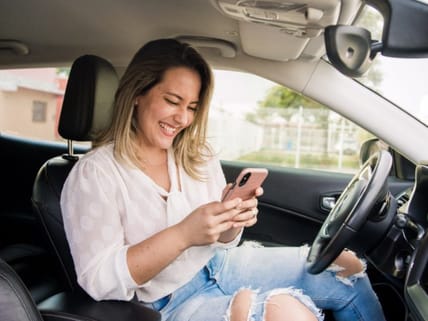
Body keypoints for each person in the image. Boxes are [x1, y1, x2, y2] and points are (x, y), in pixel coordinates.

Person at [60, 38, 386, 321]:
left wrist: (232, 220)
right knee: (287, 313)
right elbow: (99, 280)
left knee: (346, 268)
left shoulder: (197, 154)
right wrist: (183, 234)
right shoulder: (95, 174)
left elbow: (224, 241)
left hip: (224, 264)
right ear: (137, 94)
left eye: (191, 107)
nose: (183, 118)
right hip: (167, 303)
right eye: (172, 102)